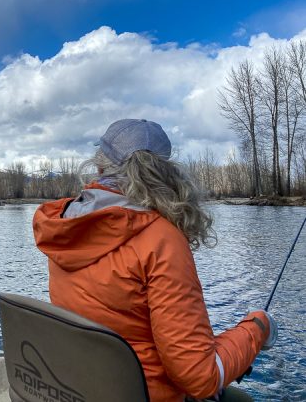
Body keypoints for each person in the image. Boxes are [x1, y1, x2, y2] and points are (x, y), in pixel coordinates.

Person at [33, 119, 277, 402]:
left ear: (99, 167)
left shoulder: (64, 223)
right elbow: (200, 377)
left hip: (82, 388)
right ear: (167, 174)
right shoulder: (161, 239)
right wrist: (259, 327)